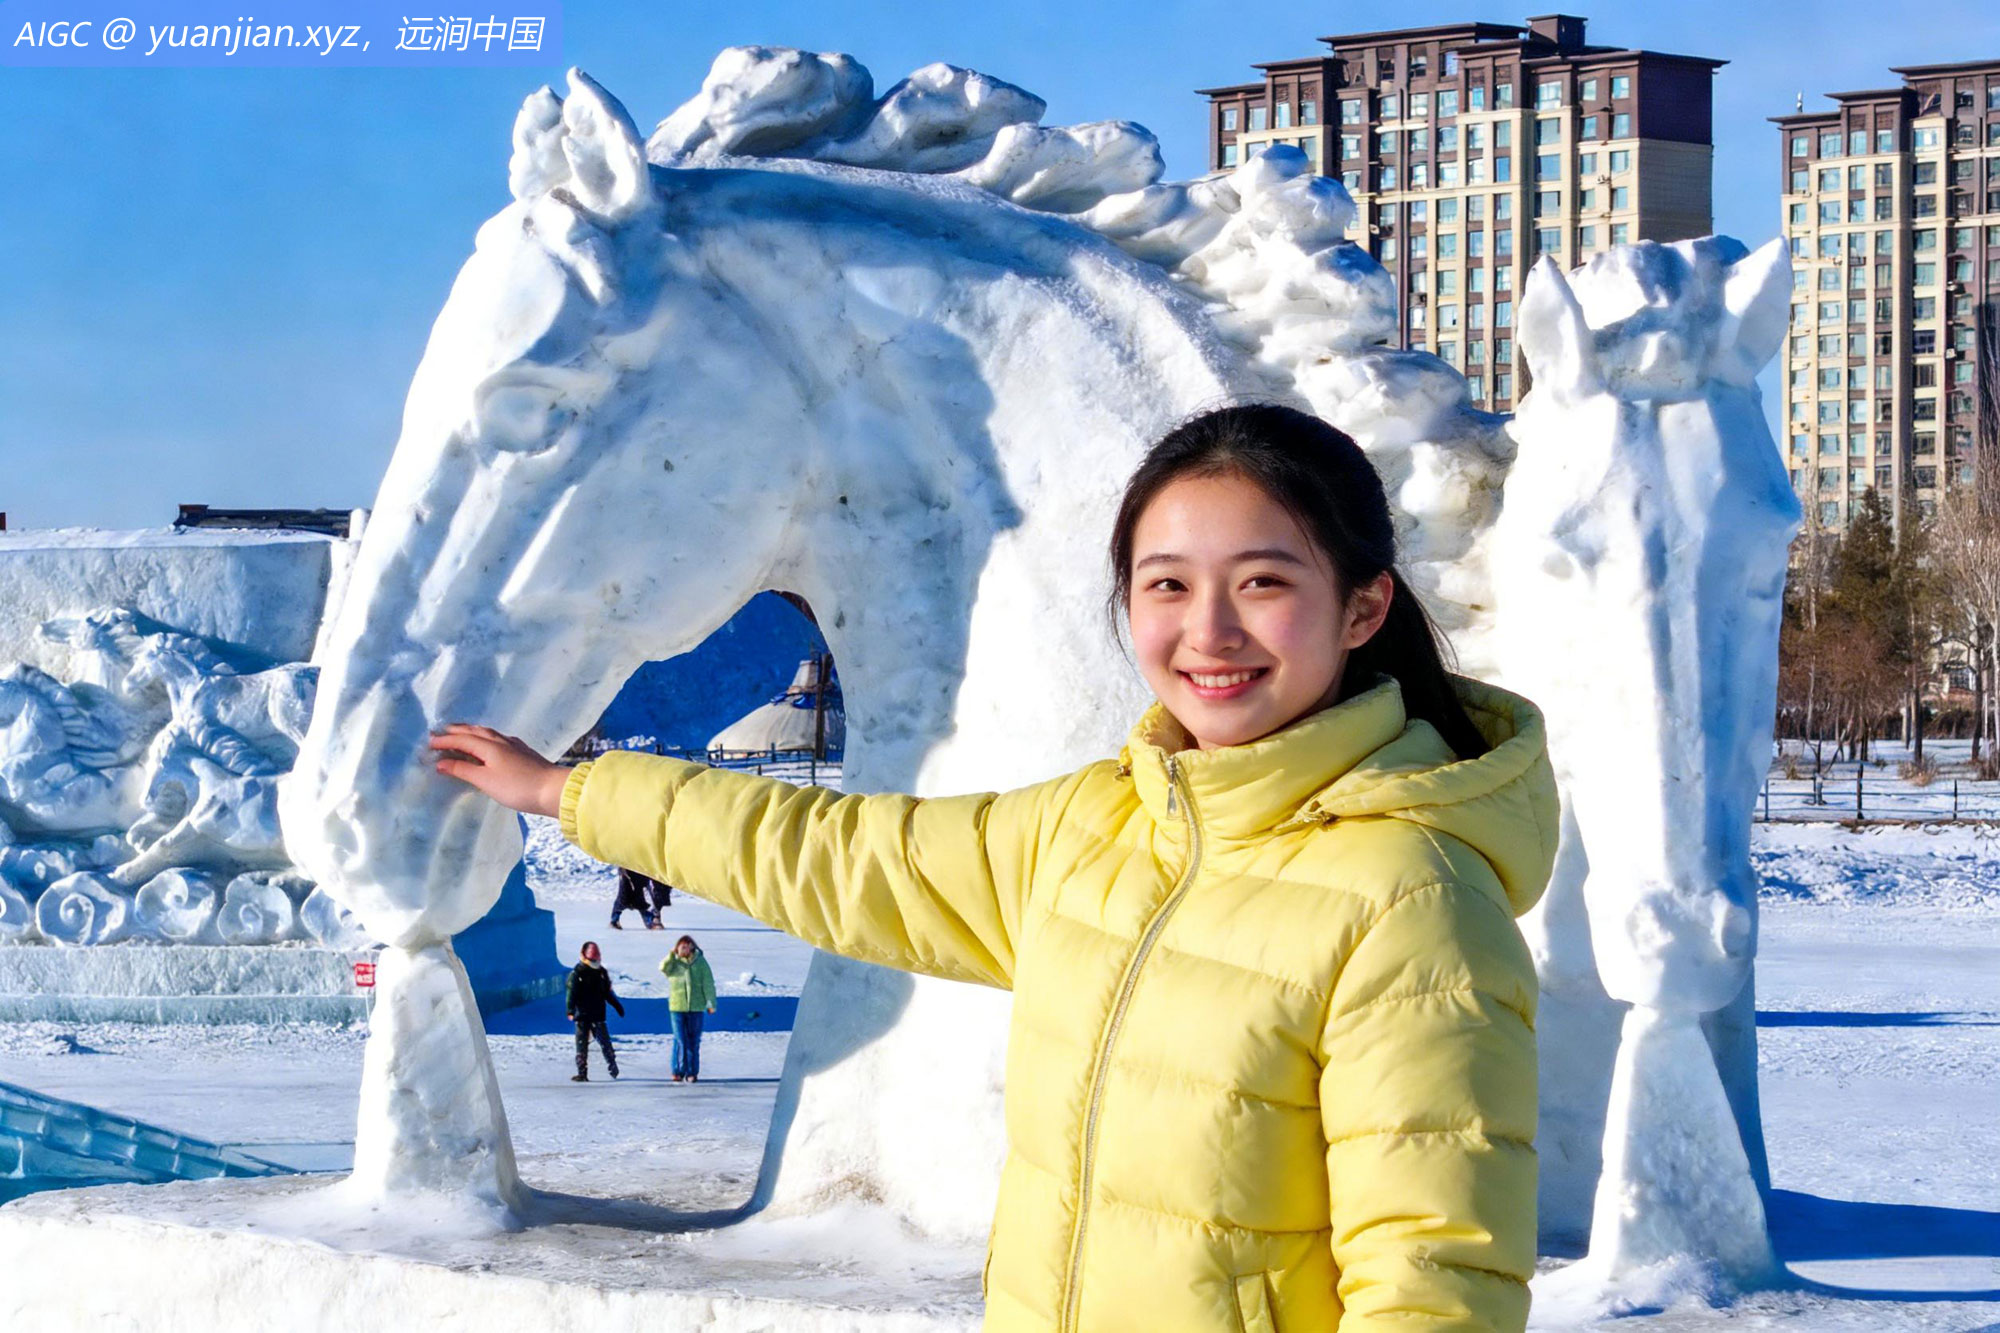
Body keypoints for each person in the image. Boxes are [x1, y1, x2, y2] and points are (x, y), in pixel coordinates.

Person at [434, 403, 1558, 1333]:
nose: (1206, 629)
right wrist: (568, 792)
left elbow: (1432, 1282)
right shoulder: (1094, 831)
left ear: (1361, 606)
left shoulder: (1411, 902)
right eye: (1165, 584)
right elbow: (844, 855)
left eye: (1261, 582)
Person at [659, 933, 717, 1083]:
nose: (685, 948)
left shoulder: (700, 962)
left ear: (692, 947)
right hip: (677, 1007)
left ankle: (692, 1072)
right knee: (680, 1040)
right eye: (681, 946)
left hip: (696, 1008)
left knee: (693, 1040)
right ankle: (677, 1070)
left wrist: (711, 1003)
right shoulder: (674, 963)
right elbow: (663, 968)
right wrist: (672, 954)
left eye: (687, 945)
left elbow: (708, 984)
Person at [565, 940, 624, 1082]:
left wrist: (617, 1005)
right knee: (586, 1043)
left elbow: (606, 993)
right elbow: (572, 993)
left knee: (599, 1042)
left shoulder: (598, 973)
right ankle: (585, 1072)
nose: (594, 961)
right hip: (585, 1015)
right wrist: (570, 1010)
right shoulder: (578, 973)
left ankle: (610, 1067)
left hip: (593, 1015)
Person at [610, 865, 661, 930]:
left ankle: (650, 921)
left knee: (640, 896)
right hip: (627, 866)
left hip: (640, 867)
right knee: (624, 895)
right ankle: (614, 920)